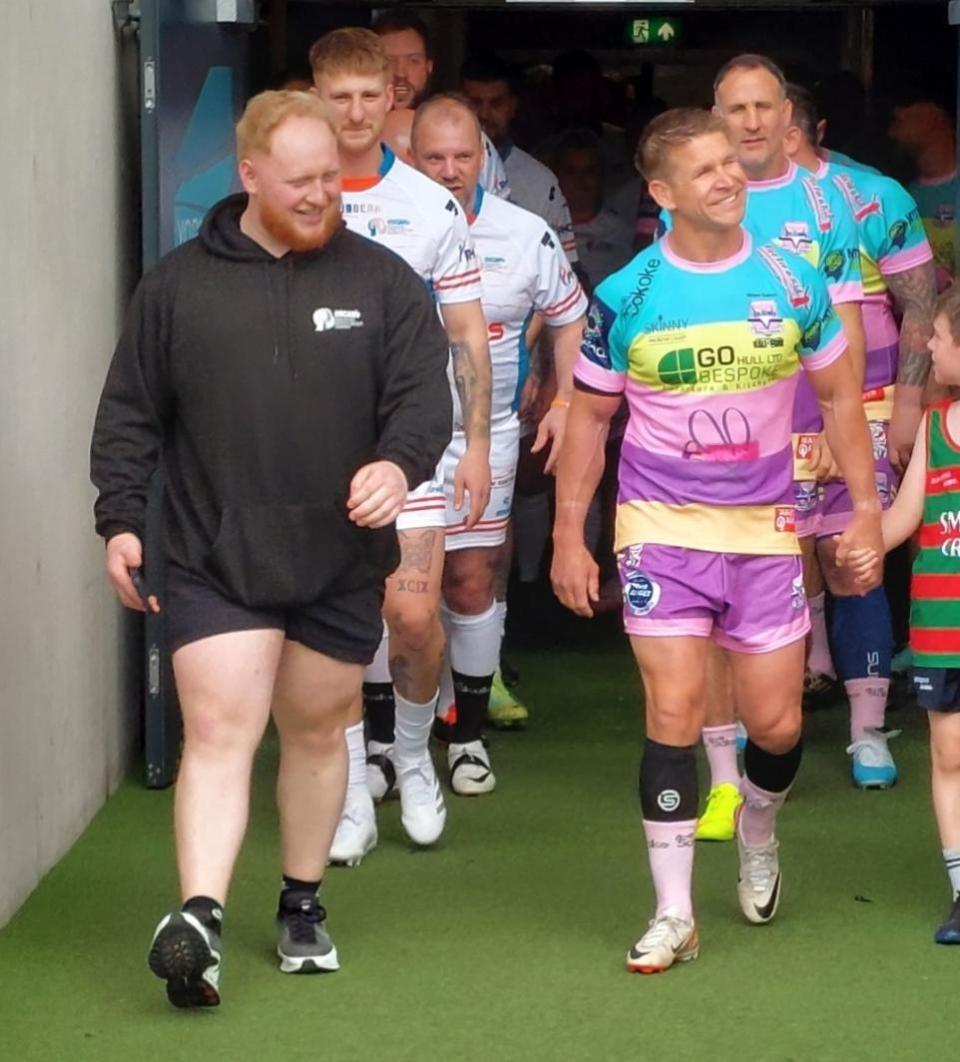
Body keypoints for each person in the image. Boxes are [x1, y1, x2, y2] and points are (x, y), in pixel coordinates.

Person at [89, 90, 452, 1006]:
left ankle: (300, 902)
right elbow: (130, 414)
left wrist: (397, 466)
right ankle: (201, 922)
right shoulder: (176, 286)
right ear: (249, 175)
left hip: (336, 554)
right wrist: (121, 519)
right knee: (217, 730)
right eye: (300, 180)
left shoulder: (382, 281)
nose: (321, 194)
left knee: (319, 727)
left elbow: (423, 399)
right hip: (213, 550)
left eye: (332, 178)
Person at [551, 107, 881, 973]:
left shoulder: (796, 277)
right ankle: (673, 913)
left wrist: (867, 515)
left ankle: (759, 828)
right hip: (658, 530)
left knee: (775, 725)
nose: (728, 177)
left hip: (769, 533)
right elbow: (587, 422)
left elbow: (844, 402)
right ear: (661, 193)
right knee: (673, 710)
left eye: (730, 162)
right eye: (704, 170)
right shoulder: (626, 295)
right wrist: (567, 539)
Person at [310, 27, 492, 863]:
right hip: (308, 448)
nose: (353, 112)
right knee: (333, 629)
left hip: (414, 444)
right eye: (337, 96)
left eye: (367, 95)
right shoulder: (291, 196)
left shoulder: (431, 205)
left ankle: (412, 755)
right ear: (316, 97)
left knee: (413, 617)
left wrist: (480, 446)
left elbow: (467, 335)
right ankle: (350, 789)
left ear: (394, 99)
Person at [676, 53, 869, 837]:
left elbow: (847, 328)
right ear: (714, 116)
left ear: (787, 115)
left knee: (783, 614)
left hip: (803, 438)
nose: (751, 123)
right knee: (718, 613)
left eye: (764, 107)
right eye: (735, 109)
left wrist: (832, 425)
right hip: (716, 447)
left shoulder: (828, 206)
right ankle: (722, 780)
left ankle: (782, 758)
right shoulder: (691, 203)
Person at [410, 94, 587, 792]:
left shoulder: (525, 232)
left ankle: (468, 737)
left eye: (464, 156)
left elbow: (569, 316)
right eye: (435, 157)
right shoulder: (375, 228)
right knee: (397, 591)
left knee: (471, 579)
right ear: (411, 159)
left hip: (486, 436)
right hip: (388, 442)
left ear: (484, 157)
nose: (452, 170)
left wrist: (566, 398)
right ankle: (390, 744)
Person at [786, 82, 936, 786]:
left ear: (808, 126)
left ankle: (867, 729)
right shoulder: (720, 200)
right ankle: (779, 709)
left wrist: (910, 403)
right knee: (778, 561)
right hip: (767, 414)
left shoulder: (871, 196)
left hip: (869, 402)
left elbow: (920, 304)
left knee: (857, 557)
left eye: (778, 123)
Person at [845, 281, 960, 944]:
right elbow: (900, 522)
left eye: (938, 337)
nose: (926, 344)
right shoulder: (939, 433)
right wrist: (858, 549)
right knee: (948, 753)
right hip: (940, 631)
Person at [372, 9, 511, 200]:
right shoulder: (353, 137)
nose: (400, 73)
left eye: (413, 61)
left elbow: (496, 217)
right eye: (388, 61)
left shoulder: (469, 136)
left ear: (428, 66)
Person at [460, 53, 578, 264]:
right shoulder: (433, 171)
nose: (484, 114)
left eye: (496, 103)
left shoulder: (542, 182)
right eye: (475, 103)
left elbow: (566, 268)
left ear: (513, 106)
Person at [551, 128, 633, 292]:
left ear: (601, 176)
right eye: (571, 172)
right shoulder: (542, 228)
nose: (581, 181)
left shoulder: (623, 232)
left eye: (589, 171)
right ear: (556, 176)